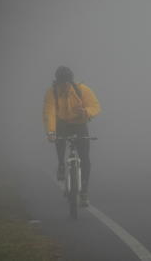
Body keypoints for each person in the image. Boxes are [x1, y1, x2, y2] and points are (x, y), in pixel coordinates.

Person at [43, 66, 101, 207]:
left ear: (71, 81)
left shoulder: (82, 90)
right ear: (56, 81)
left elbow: (95, 106)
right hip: (62, 124)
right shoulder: (52, 93)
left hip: (79, 124)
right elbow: (49, 113)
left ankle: (84, 192)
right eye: (62, 82)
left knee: (85, 158)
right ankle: (61, 165)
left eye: (67, 82)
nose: (64, 85)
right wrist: (51, 132)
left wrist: (86, 112)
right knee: (59, 137)